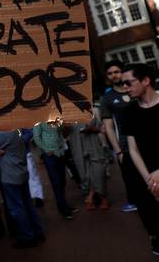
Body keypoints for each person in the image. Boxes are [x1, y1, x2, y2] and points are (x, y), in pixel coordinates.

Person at [121, 63, 159, 255]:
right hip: (146, 174)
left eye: (128, 83)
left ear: (145, 80)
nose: (125, 88)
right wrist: (149, 180)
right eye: (123, 84)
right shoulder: (129, 113)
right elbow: (133, 149)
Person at [100, 59, 140, 212]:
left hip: (144, 137)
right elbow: (109, 128)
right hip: (124, 143)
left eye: (116, 71)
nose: (114, 75)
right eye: (110, 73)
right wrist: (117, 151)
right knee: (130, 176)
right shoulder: (107, 99)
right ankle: (134, 201)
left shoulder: (135, 90)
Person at [0, 130, 44, 248]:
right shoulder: (17, 129)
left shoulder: (1, 133)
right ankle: (38, 232)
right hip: (21, 171)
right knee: (28, 205)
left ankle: (27, 237)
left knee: (17, 209)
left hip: (10, 175)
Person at [69, 105, 109, 210]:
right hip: (78, 147)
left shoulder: (93, 109)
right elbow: (65, 133)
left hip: (94, 146)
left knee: (98, 170)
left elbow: (101, 129)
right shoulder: (67, 113)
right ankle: (92, 196)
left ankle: (100, 196)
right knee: (86, 173)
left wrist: (90, 129)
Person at [33, 120, 75, 219]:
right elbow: (36, 138)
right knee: (56, 182)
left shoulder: (55, 118)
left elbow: (61, 133)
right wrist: (46, 150)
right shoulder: (38, 121)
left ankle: (62, 205)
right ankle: (64, 209)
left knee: (62, 181)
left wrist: (62, 147)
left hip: (60, 152)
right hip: (49, 155)